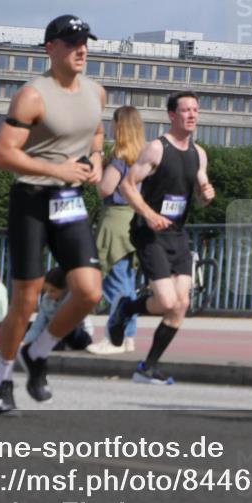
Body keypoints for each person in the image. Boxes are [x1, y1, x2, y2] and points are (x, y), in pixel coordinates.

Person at [0, 14, 105, 413]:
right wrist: (58, 169)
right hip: (32, 200)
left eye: (84, 41)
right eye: (72, 43)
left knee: (89, 290)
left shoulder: (96, 92)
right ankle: (2, 382)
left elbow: (97, 132)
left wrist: (98, 160)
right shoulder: (32, 96)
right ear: (50, 47)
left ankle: (38, 352)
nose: (81, 49)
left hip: (70, 200)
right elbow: (3, 154)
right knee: (26, 299)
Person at [107, 91, 216, 385]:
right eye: (185, 110)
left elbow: (200, 193)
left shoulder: (199, 154)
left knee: (180, 305)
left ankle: (148, 367)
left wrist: (207, 194)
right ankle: (126, 308)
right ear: (171, 115)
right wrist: (148, 214)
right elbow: (127, 185)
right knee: (168, 302)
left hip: (177, 235)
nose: (192, 115)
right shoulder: (156, 149)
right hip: (148, 233)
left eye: (195, 110)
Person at [88, 105, 145, 355]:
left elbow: (105, 189)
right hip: (133, 220)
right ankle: (128, 336)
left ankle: (115, 337)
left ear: (119, 126)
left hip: (115, 222)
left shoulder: (120, 158)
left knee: (114, 280)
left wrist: (96, 160)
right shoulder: (143, 158)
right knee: (127, 281)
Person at [23, 267, 94, 351]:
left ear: (66, 289)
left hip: (78, 336)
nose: (48, 294)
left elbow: (76, 326)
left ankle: (54, 344)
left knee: (63, 330)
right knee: (26, 325)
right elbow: (38, 325)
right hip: (55, 333)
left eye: (53, 291)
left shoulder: (73, 299)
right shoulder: (46, 299)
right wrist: (25, 342)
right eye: (46, 290)